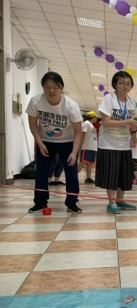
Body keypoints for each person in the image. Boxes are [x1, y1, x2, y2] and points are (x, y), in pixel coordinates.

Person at [26, 71, 83, 213]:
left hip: (67, 142)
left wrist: (74, 152)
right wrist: (40, 143)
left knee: (71, 172)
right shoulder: (36, 101)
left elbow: (78, 132)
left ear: (61, 87)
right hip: (45, 141)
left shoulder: (71, 106)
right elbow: (33, 125)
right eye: (47, 87)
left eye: (55, 87)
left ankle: (72, 202)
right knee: (41, 172)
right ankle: (40, 202)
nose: (51, 91)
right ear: (43, 87)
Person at [96, 70, 137, 214]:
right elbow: (106, 122)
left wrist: (134, 130)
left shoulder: (132, 102)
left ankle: (120, 200)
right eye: (122, 83)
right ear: (115, 84)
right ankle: (112, 202)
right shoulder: (109, 99)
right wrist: (127, 122)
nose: (125, 86)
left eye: (128, 83)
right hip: (109, 143)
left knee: (124, 174)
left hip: (125, 144)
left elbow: (131, 124)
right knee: (111, 174)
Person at [78, 111, 99, 183]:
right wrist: (80, 145)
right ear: (93, 117)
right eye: (96, 117)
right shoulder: (86, 123)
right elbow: (83, 134)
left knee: (90, 163)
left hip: (92, 147)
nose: (96, 118)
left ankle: (88, 178)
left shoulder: (91, 124)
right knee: (82, 163)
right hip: (86, 147)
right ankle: (72, 177)